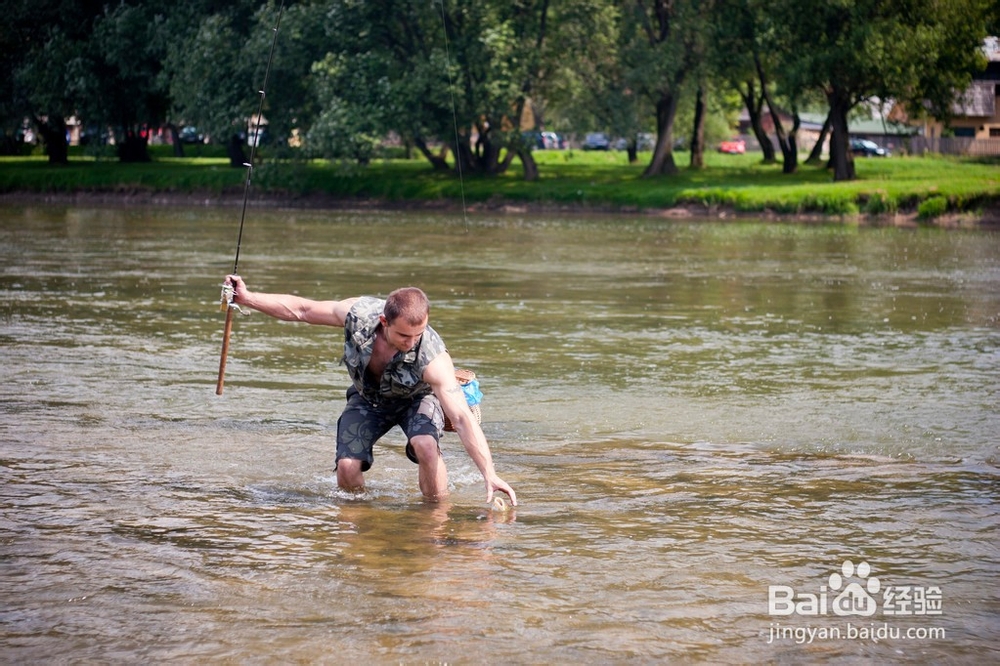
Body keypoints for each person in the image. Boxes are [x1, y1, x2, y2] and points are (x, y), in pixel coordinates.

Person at [225, 275, 517, 507]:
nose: (412, 341)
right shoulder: (358, 315)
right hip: (368, 398)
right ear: (383, 322)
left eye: (419, 333)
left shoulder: (433, 356)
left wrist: (489, 474)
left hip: (417, 399)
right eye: (404, 334)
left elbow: (464, 419)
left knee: (426, 445)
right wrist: (248, 298)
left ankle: (435, 517)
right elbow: (303, 309)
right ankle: (361, 521)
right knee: (347, 467)